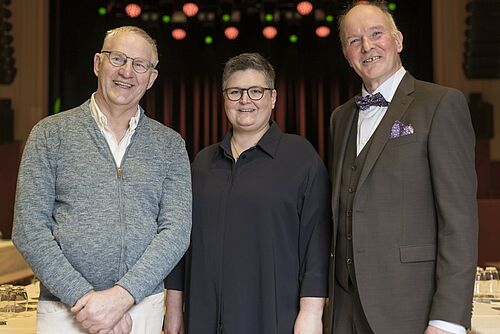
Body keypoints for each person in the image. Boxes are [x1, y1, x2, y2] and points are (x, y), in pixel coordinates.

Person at [12, 26, 192, 334]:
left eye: (139, 64)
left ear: (151, 77)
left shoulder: (169, 144)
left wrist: (121, 298)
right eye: (118, 58)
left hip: (141, 310)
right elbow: (29, 229)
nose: (127, 72)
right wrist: (84, 299)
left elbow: (176, 231)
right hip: (64, 312)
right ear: (98, 63)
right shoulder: (49, 134)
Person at [326, 1, 477, 334]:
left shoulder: (440, 104)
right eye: (354, 40)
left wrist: (448, 319)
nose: (366, 46)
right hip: (344, 311)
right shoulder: (340, 118)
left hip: (411, 308)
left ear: (398, 40)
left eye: (376, 34)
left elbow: (459, 221)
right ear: (346, 54)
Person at [164, 53, 331, 334]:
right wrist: (173, 308)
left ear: (273, 97)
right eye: (235, 92)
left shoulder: (301, 157)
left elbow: (317, 241)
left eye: (256, 91)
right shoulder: (202, 163)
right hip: (204, 316)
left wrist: (311, 314)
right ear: (224, 98)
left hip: (273, 316)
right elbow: (180, 241)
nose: (245, 100)